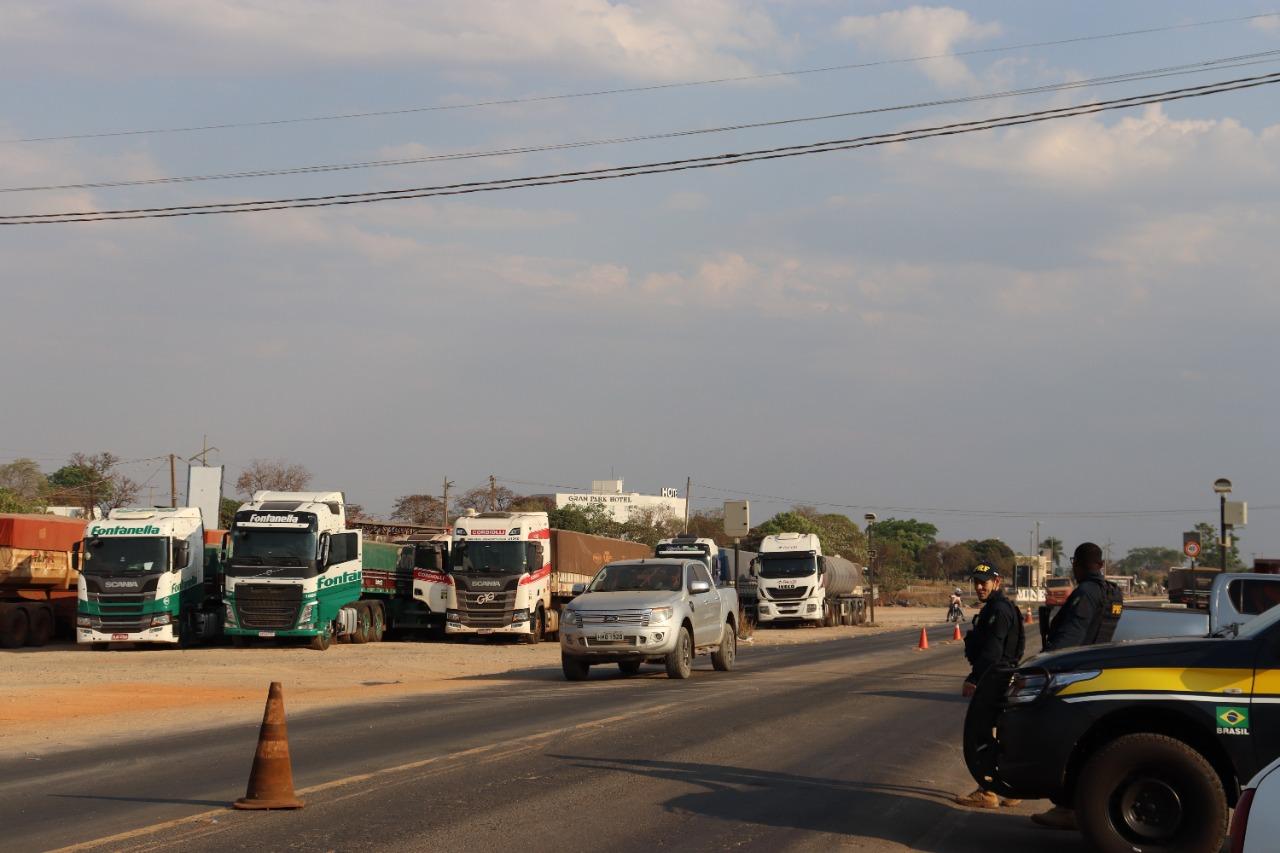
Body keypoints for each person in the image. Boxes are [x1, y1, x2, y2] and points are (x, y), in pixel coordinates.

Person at [1031, 542, 1125, 830]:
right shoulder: (1113, 592)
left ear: (1077, 564)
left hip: (1075, 673)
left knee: (1065, 742)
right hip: (1099, 670)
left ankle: (1067, 806)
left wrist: (1045, 664)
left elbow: (1071, 636)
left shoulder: (1086, 593)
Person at [954, 562, 1025, 809]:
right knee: (1002, 736)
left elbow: (993, 652)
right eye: (976, 581)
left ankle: (987, 792)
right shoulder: (1001, 607)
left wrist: (974, 678)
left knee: (982, 737)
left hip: (995, 679)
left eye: (984, 581)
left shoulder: (999, 610)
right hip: (1002, 677)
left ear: (997, 581)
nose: (979, 586)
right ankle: (1013, 788)